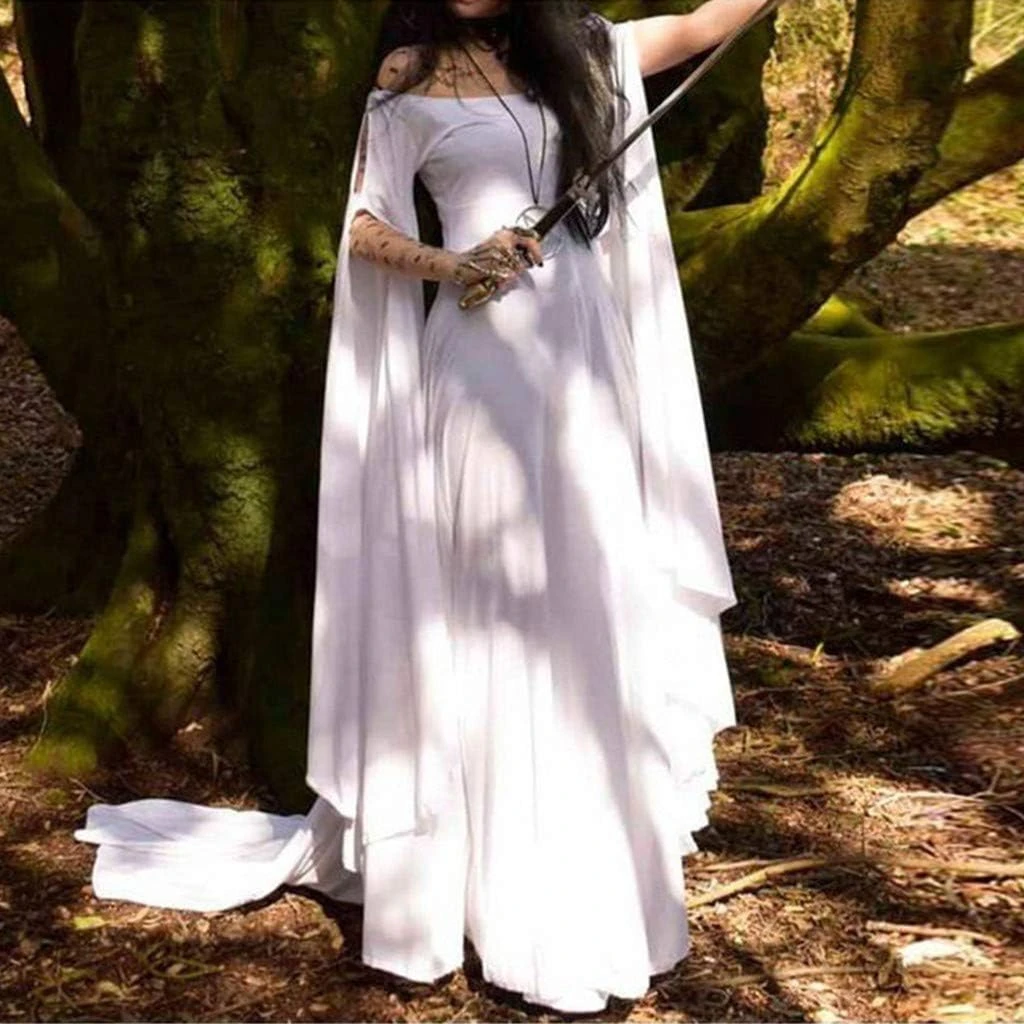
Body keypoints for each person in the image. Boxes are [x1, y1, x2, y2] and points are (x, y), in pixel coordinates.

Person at [75, 0, 767, 1012]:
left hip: (586, 358)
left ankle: (592, 876)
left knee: (587, 598)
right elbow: (363, 224)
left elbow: (706, 25)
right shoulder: (406, 74)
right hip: (481, 365)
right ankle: (488, 888)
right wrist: (453, 262)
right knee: (497, 608)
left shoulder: (575, 51)